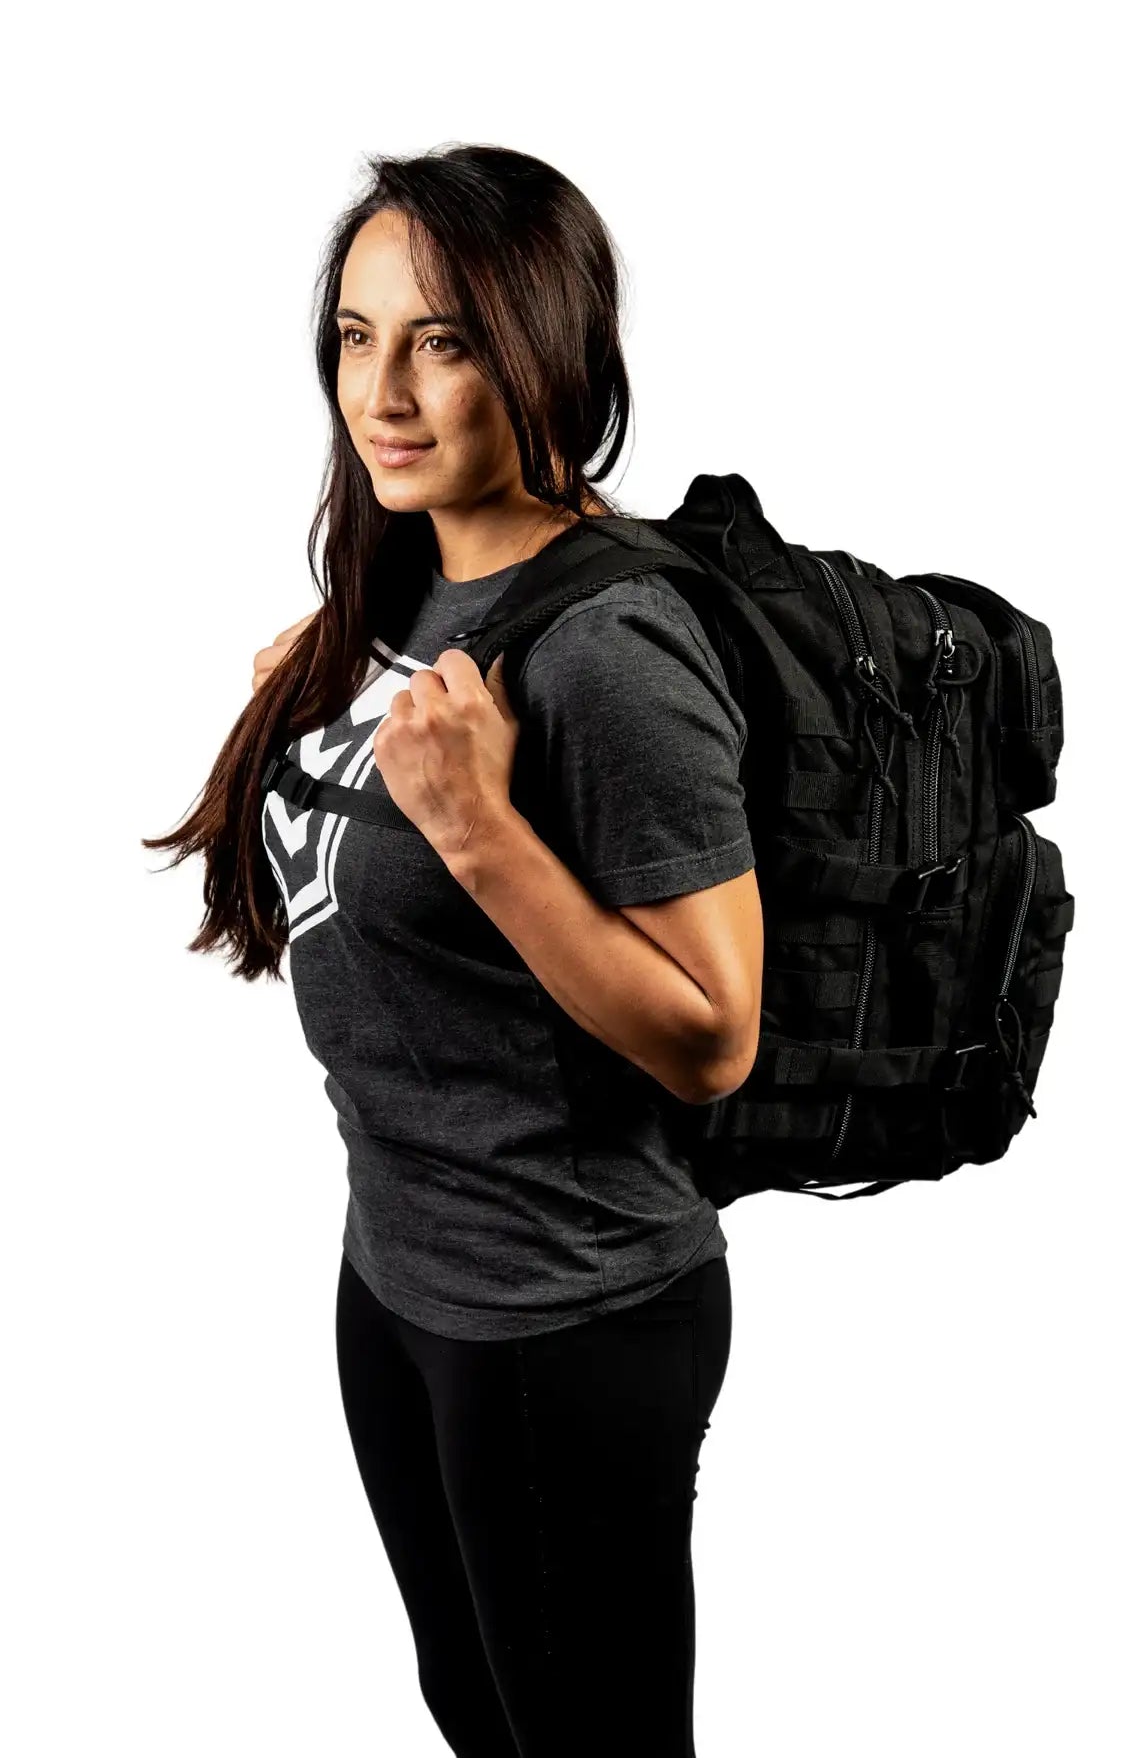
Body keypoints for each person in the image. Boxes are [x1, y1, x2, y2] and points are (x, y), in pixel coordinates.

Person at [145, 142, 763, 1758]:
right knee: (477, 1715)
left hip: (566, 1317)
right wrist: (313, 712)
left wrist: (481, 832)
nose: (385, 393)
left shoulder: (614, 652)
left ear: (544, 348)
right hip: (399, 1268)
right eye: (357, 337)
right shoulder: (410, 586)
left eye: (444, 341)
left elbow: (716, 1034)